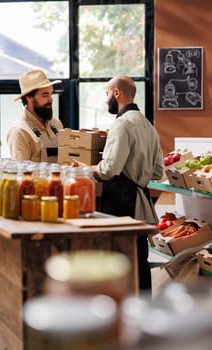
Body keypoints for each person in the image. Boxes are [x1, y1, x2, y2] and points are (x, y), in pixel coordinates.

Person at [72, 75, 164, 291]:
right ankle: (143, 314)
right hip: (142, 206)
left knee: (119, 264)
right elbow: (158, 172)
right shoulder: (148, 125)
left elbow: (109, 169)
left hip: (122, 204)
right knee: (141, 262)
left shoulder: (121, 124)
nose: (106, 100)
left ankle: (122, 315)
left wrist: (85, 168)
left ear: (117, 93)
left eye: (107, 94)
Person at [7, 69, 63, 163]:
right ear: (29, 97)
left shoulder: (57, 124)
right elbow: (21, 173)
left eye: (51, 94)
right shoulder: (19, 132)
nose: (51, 100)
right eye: (45, 95)